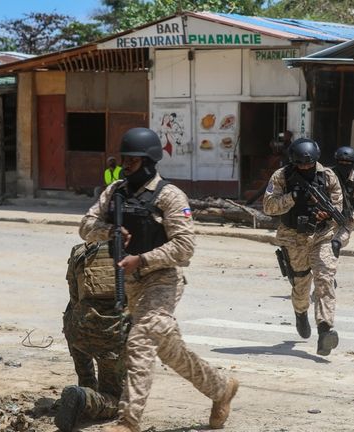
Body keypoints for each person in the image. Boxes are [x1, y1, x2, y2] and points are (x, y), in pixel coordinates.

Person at [79, 127, 239, 432]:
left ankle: (128, 421)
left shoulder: (170, 195)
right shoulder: (115, 192)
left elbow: (184, 245)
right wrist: (108, 232)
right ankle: (221, 388)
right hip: (129, 283)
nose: (126, 165)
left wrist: (144, 259)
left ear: (150, 161)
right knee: (168, 350)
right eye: (124, 159)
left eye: (133, 160)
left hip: (161, 278)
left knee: (140, 340)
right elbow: (86, 225)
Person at [262, 138, 343, 356]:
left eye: (310, 164)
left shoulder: (327, 176)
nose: (306, 168)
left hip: (321, 235)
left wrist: (326, 215)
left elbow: (338, 206)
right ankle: (300, 312)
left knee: (325, 278)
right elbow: (269, 206)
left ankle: (325, 330)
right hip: (293, 237)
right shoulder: (281, 176)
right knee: (300, 282)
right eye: (302, 165)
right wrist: (293, 197)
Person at [55, 242, 128, 432]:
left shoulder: (81, 251)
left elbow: (74, 297)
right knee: (116, 400)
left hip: (80, 333)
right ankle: (85, 399)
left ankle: (85, 384)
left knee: (73, 313)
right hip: (111, 340)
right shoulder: (135, 254)